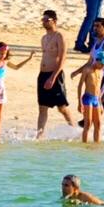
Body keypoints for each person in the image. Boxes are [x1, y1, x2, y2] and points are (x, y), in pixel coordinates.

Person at [35, 10, 76, 140]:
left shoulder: (60, 36)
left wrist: (53, 77)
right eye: (43, 20)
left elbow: (62, 58)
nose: (44, 22)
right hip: (43, 75)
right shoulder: (44, 38)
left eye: (47, 20)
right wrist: (45, 77)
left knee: (62, 107)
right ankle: (39, 135)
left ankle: (74, 129)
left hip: (55, 75)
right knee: (42, 107)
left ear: (54, 21)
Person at [71, 44, 104, 144]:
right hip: (87, 98)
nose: (103, 66)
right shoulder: (87, 69)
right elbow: (80, 86)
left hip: (96, 100)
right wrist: (79, 102)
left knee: (98, 124)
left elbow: (98, 89)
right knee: (88, 123)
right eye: (102, 63)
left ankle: (96, 144)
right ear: (97, 60)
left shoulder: (101, 71)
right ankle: (84, 145)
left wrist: (101, 104)